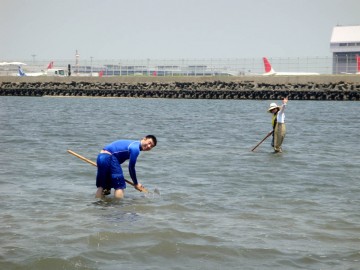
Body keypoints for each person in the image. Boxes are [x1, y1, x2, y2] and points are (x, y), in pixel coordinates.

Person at [95, 135, 157, 199]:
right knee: (119, 186)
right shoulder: (135, 148)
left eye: (152, 146)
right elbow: (131, 167)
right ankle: (118, 207)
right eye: (149, 143)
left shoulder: (132, 143)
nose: (149, 146)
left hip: (101, 157)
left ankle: (99, 206)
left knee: (102, 186)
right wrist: (136, 183)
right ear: (144, 138)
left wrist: (103, 164)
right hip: (110, 157)